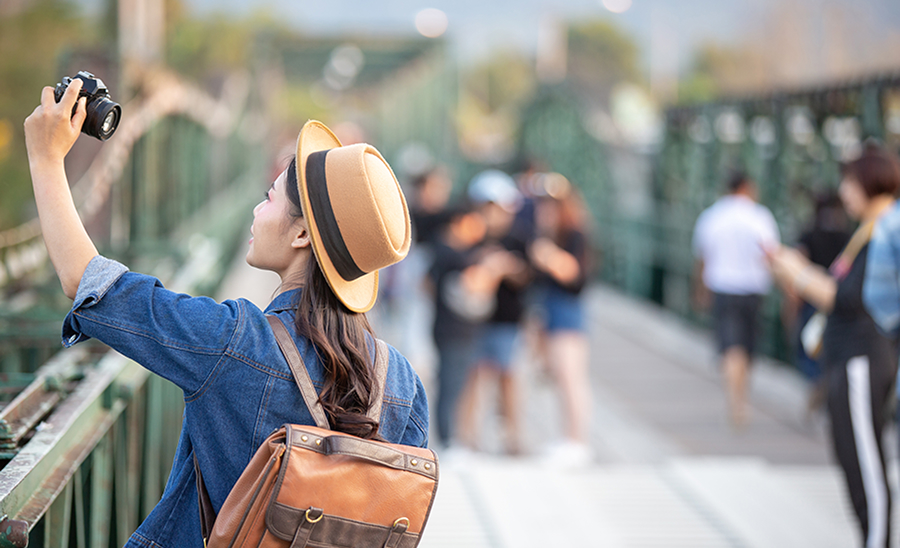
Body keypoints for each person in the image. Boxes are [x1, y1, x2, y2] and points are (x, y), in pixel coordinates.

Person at [24, 81, 429, 548]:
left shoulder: (234, 341)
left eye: (270, 197)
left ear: (300, 235)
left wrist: (46, 159)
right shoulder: (402, 382)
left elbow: (89, 284)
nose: (256, 210)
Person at [769, 144, 898, 548]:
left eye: (848, 181)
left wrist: (800, 274)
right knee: (853, 461)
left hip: (864, 356)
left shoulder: (885, 230)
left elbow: (850, 298)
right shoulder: (868, 230)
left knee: (867, 468)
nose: (844, 191)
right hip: (849, 357)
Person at [691, 171, 780, 427]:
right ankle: (742, 397)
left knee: (730, 346)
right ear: (747, 186)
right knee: (748, 347)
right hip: (753, 289)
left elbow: (702, 257)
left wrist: (699, 289)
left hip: (723, 287)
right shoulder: (760, 216)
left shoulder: (712, 216)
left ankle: (735, 401)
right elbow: (771, 255)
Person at [457, 170, 529, 456]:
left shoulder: (519, 236)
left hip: (507, 318)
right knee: (472, 376)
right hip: (473, 319)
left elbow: (528, 275)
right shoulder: (469, 232)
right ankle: (467, 437)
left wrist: (505, 267)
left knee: (508, 376)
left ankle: (513, 436)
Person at [528, 173, 593, 466]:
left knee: (571, 377)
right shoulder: (549, 233)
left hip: (568, 309)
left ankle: (577, 441)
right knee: (558, 376)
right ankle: (567, 438)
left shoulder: (575, 233)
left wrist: (549, 258)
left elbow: (576, 274)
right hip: (551, 310)